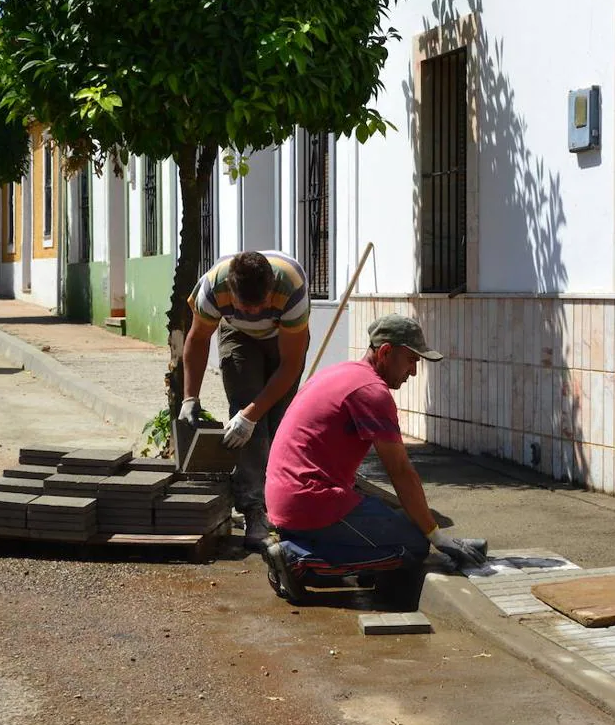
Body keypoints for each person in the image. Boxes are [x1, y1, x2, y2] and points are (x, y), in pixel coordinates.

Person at [261, 314, 487, 603]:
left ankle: (304, 547)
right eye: (410, 360)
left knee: (402, 519)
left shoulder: (340, 372)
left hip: (285, 498)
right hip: (309, 502)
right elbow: (401, 472)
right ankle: (297, 560)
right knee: (413, 546)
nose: (413, 372)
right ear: (385, 352)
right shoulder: (371, 392)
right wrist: (436, 536)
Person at [179, 251, 310, 549]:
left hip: (282, 340)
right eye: (244, 307)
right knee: (247, 418)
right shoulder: (214, 289)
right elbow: (198, 340)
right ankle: (253, 510)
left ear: (270, 289)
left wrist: (251, 415)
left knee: (277, 423)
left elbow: (290, 365)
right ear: (232, 292)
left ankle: (282, 505)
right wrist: (190, 398)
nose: (252, 314)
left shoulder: (290, 287)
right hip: (237, 337)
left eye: (259, 306)